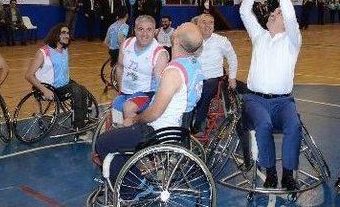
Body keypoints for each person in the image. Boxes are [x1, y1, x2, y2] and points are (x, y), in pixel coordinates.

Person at [94, 22, 204, 182]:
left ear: (178, 41)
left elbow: (154, 112)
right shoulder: (195, 65)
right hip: (181, 128)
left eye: (179, 28)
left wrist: (134, 119)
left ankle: (130, 190)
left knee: (103, 143)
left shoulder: (173, 72)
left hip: (160, 131)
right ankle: (132, 177)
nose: (176, 27)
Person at [238, 0, 302, 190]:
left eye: (276, 14)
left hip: (284, 101)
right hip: (254, 100)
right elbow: (245, 12)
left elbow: (291, 17)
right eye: (272, 13)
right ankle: (270, 171)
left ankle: (288, 174)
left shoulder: (293, 40)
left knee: (294, 126)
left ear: (285, 23)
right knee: (263, 124)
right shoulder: (259, 36)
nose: (271, 15)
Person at [24, 23, 91, 133]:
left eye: (68, 33)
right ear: (56, 35)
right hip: (51, 88)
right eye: (63, 33)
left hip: (64, 83)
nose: (67, 36)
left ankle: (83, 116)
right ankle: (79, 127)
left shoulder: (64, 50)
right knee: (77, 90)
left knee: (83, 89)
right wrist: (44, 90)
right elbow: (28, 75)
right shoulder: (43, 52)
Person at [111, 15, 169, 124]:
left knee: (129, 107)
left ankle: (136, 137)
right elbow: (120, 67)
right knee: (116, 104)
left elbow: (161, 84)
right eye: (141, 29)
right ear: (135, 30)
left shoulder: (159, 53)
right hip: (126, 91)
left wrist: (157, 107)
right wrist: (120, 89)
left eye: (149, 30)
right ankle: (120, 132)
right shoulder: (126, 44)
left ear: (154, 32)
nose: (144, 34)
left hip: (147, 93)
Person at [192, 13, 238, 133]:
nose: (207, 25)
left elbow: (232, 58)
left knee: (205, 90)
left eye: (210, 22)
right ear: (197, 24)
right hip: (194, 78)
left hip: (213, 78)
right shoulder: (191, 40)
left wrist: (232, 78)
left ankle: (198, 122)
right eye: (204, 22)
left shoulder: (221, 41)